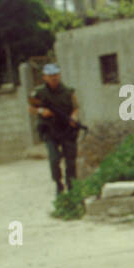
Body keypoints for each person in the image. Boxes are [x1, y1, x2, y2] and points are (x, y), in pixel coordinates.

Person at [29, 63, 81, 195]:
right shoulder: (38, 93)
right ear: (44, 77)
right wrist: (41, 111)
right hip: (49, 129)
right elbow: (31, 108)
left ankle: (72, 186)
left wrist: (74, 118)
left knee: (71, 160)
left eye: (56, 75)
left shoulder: (68, 91)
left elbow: (75, 107)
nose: (54, 78)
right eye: (51, 76)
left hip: (66, 129)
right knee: (54, 158)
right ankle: (58, 183)